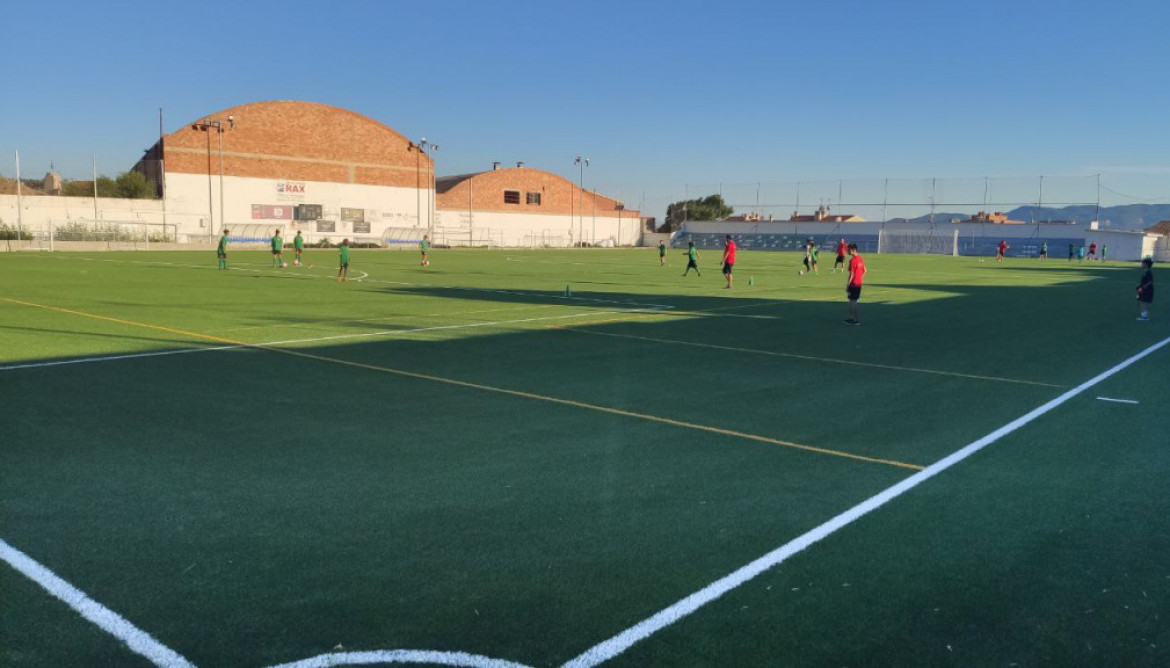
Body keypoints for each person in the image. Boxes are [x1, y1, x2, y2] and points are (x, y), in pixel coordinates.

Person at [844, 243, 866, 326]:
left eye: (849, 249)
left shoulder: (852, 260)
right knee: (855, 301)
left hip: (853, 284)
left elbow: (852, 274)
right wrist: (860, 278)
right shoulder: (860, 258)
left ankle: (852, 319)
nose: (847, 251)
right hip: (859, 284)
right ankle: (854, 318)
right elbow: (865, 270)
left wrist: (847, 285)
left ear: (853, 250)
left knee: (852, 302)